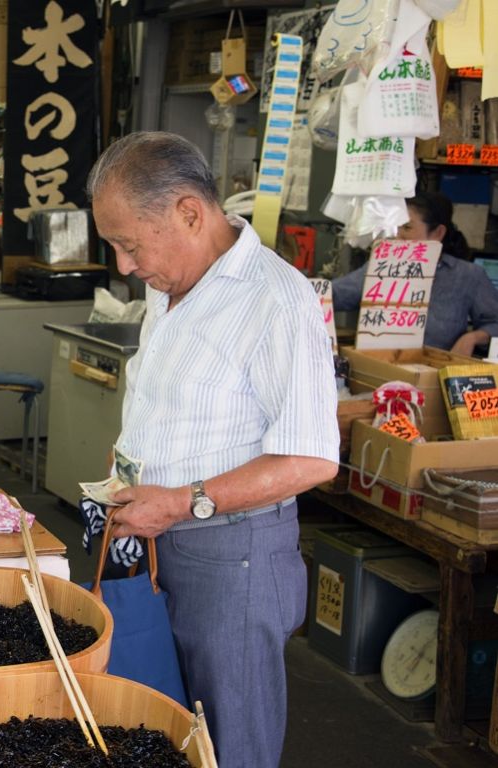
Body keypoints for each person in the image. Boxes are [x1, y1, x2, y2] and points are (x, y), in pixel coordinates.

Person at [87, 132, 339, 768]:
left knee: (231, 738)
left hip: (234, 560)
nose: (123, 265)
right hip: (152, 540)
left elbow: (312, 459)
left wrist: (182, 501)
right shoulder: (170, 282)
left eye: (129, 245)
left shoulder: (275, 299)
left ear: (190, 214)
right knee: (160, 727)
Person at [331, 191, 498, 356]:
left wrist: (471, 338)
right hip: (378, 370)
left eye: (407, 227)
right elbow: (336, 294)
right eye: (395, 228)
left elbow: (495, 322)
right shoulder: (382, 267)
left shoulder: (468, 275)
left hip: (435, 374)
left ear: (438, 233)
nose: (398, 236)